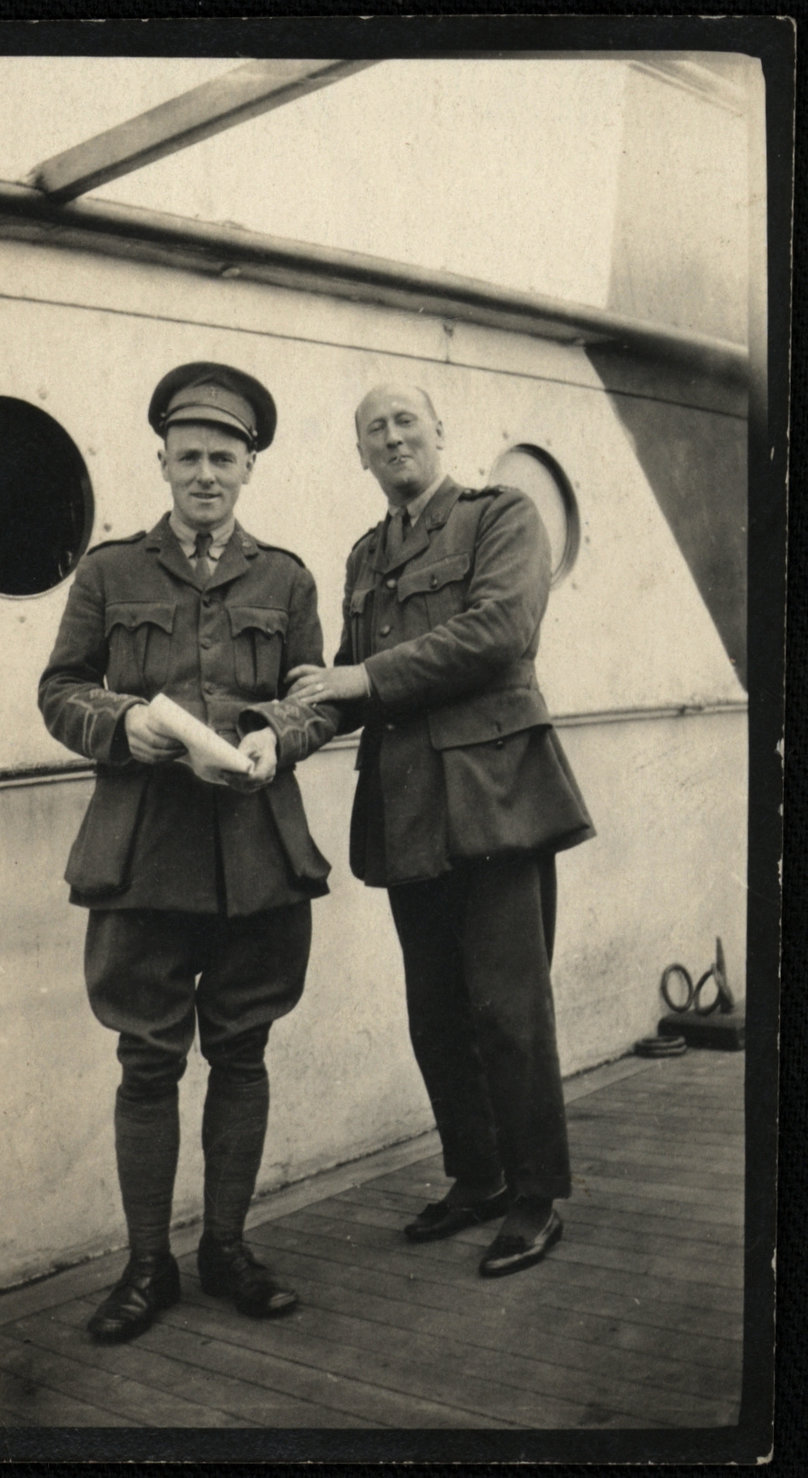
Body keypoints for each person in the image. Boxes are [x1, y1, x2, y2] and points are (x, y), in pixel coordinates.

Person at [40, 362, 336, 1341]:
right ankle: (144, 1264)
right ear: (163, 460)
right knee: (146, 1062)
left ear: (248, 465)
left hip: (257, 856)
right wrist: (125, 726)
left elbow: (312, 694)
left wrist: (275, 737)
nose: (205, 472)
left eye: (224, 456)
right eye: (189, 455)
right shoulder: (108, 571)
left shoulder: (286, 577)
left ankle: (225, 1245)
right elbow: (61, 690)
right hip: (142, 855)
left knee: (242, 1051)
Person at [288, 383, 594, 1278]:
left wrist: (359, 681)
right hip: (409, 812)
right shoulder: (363, 557)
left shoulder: (503, 516)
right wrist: (275, 730)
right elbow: (342, 686)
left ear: (438, 434)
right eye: (373, 429)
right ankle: (480, 1176)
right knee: (437, 1016)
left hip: (497, 797)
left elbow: (500, 631)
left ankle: (537, 1197)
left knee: (510, 1010)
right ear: (361, 454)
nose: (392, 439)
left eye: (405, 422)